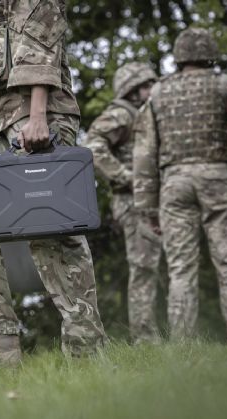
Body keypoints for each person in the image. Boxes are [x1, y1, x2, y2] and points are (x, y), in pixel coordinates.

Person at [0, 0, 107, 366]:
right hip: (4, 123)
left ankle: (87, 350)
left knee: (52, 230)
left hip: (41, 118)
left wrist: (38, 118)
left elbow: (41, 42)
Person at [133, 28, 227, 339]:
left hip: (174, 184)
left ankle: (184, 350)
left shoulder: (157, 94)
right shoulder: (224, 86)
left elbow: (143, 155)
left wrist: (147, 207)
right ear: (210, 55)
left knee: (180, 269)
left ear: (179, 58)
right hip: (217, 178)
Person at [83, 62, 161, 343]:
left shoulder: (145, 113)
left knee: (154, 269)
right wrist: (127, 177)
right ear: (132, 89)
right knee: (143, 269)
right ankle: (145, 339)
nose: (153, 89)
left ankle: (160, 335)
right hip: (134, 202)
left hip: (151, 201)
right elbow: (93, 146)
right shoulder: (122, 114)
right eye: (147, 85)